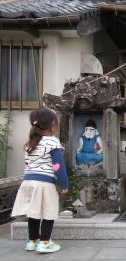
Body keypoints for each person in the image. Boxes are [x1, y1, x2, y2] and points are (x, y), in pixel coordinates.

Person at [11, 107, 68, 253]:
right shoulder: (53, 142)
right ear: (53, 125)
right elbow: (58, 166)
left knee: (33, 212)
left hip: (28, 182)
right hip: (44, 183)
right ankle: (44, 243)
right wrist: (64, 184)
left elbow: (27, 165)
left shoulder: (30, 143)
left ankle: (32, 241)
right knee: (49, 211)